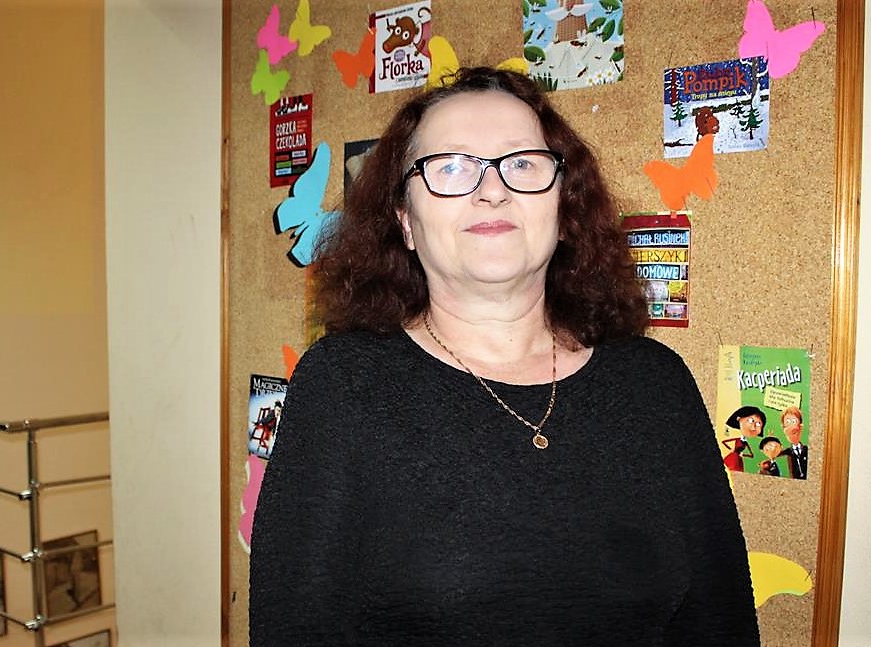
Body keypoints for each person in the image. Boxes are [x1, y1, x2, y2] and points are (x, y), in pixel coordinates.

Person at [249, 67, 759, 645]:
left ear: (563, 209)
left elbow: (721, 621)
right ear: (406, 222)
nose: (492, 189)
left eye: (522, 164)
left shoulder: (656, 384)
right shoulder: (343, 386)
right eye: (450, 167)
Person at [721, 405, 766, 472]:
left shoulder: (746, 443)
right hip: (733, 457)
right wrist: (731, 449)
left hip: (739, 458)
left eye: (758, 424)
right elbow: (724, 442)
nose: (753, 427)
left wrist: (743, 454)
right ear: (738, 419)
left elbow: (751, 455)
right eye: (751, 420)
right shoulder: (737, 438)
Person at [779, 406, 808, 479]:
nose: (791, 428)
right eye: (788, 422)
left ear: (801, 427)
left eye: (794, 422)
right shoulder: (787, 452)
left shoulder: (807, 449)